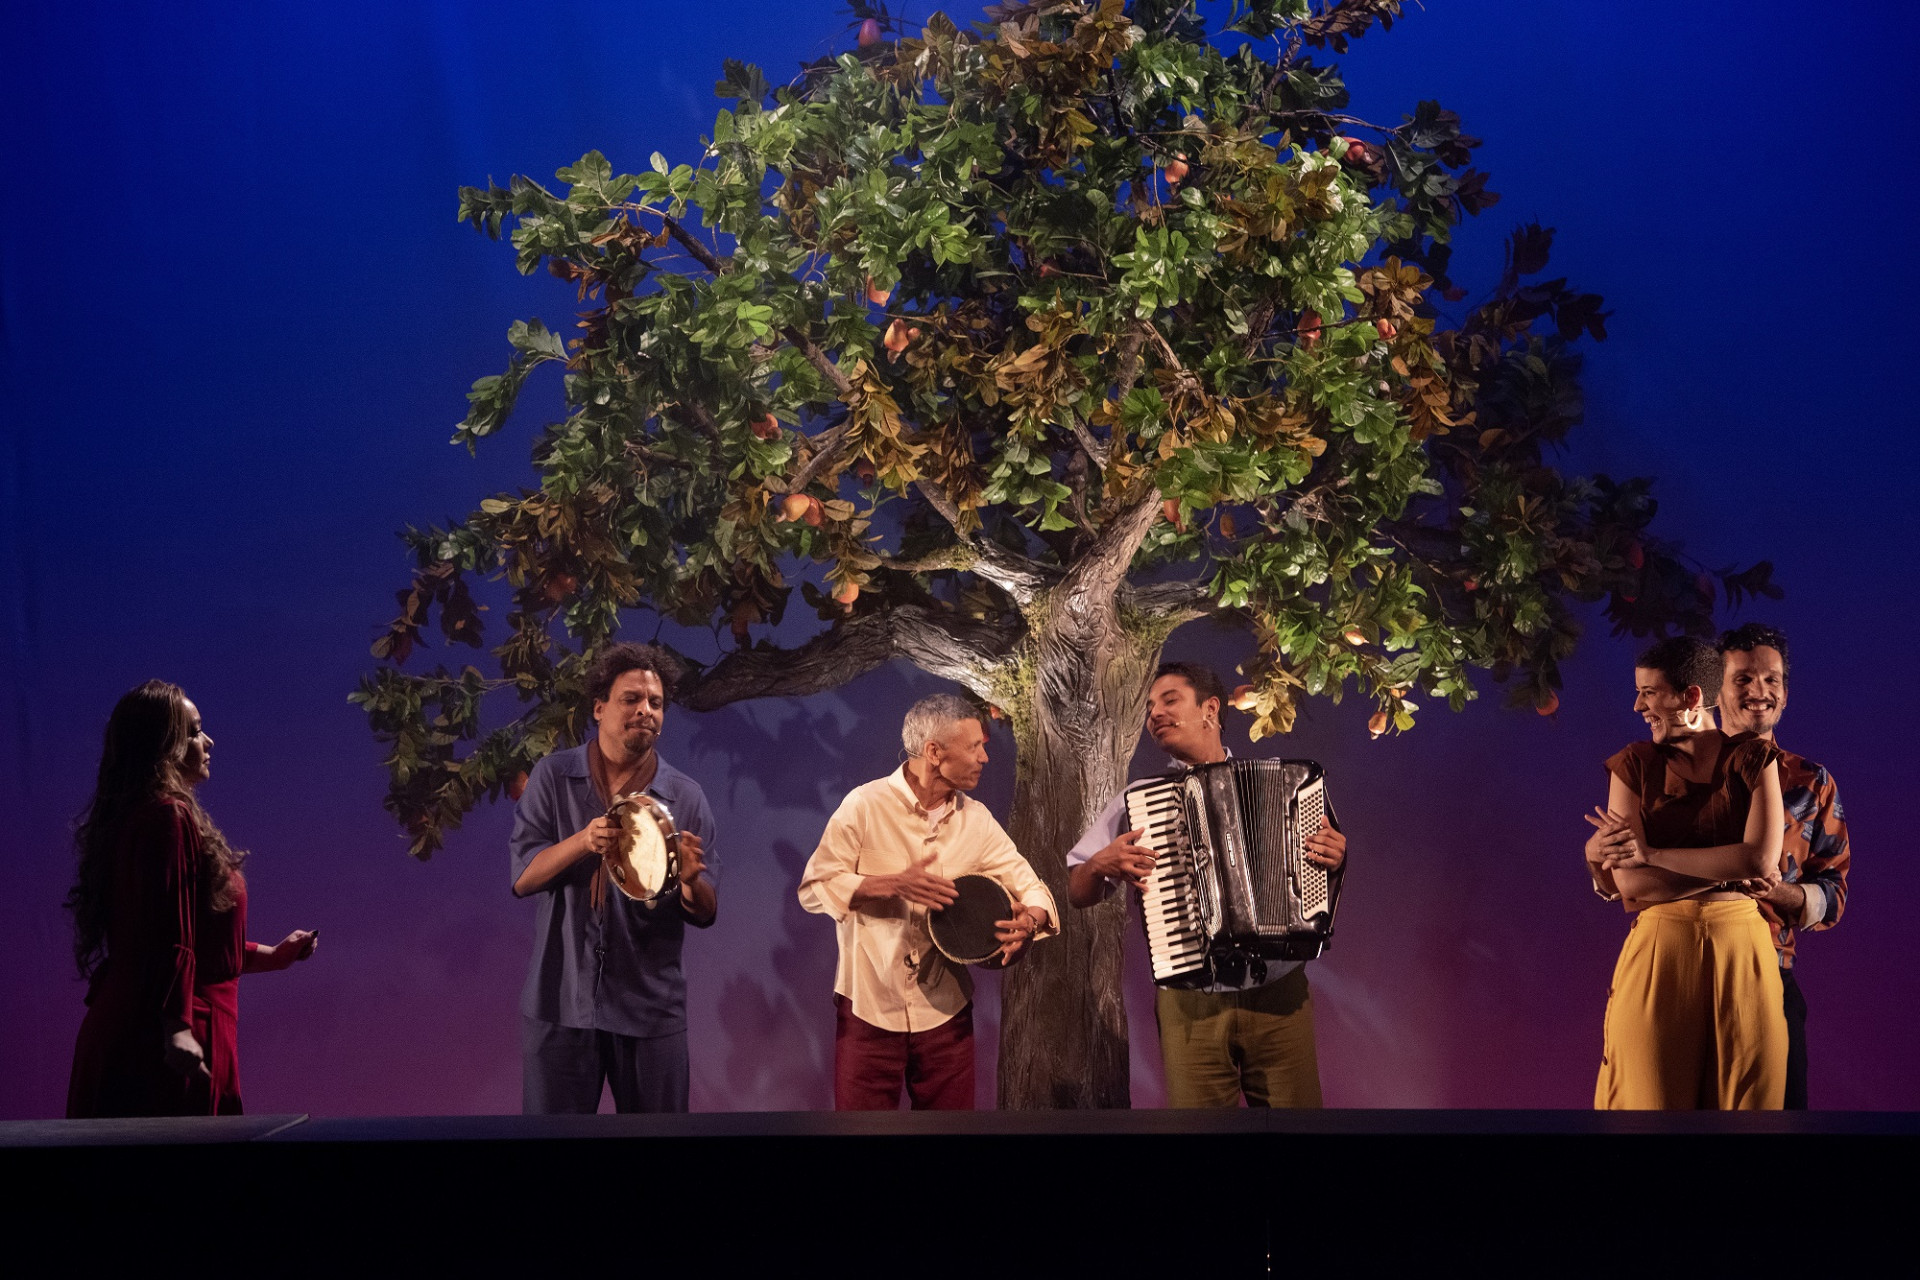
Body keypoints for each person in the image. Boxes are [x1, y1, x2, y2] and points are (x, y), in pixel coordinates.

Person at [1065, 662, 1347, 1109]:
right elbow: (1077, 890)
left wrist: (1334, 855)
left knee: (1299, 1129)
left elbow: (1322, 866)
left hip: (1279, 992)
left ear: (1210, 710)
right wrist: (1101, 863)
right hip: (1190, 1000)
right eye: (1149, 707)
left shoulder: (1286, 784)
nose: (1155, 714)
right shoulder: (1141, 799)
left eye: (1169, 700)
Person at [66, 680, 318, 1118]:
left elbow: (182, 942)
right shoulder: (169, 816)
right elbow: (169, 936)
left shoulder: (143, 816)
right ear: (161, 746)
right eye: (194, 731)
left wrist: (274, 956)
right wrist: (178, 1028)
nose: (208, 740)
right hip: (169, 1038)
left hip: (154, 1025)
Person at [799, 693, 1056, 1110]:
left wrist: (1031, 920)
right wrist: (890, 885)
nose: (984, 758)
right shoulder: (863, 806)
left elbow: (1031, 886)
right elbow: (814, 887)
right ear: (934, 752)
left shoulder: (977, 820)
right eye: (975, 746)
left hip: (946, 1015)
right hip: (868, 1010)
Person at [509, 642, 717, 1114]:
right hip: (560, 1002)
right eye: (632, 699)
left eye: (656, 703)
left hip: (651, 1009)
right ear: (599, 708)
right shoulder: (554, 776)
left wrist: (688, 881)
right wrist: (582, 842)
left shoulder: (685, 796)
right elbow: (523, 877)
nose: (646, 710)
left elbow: (706, 911)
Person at [1583, 636, 1786, 1109]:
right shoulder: (1634, 764)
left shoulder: (1753, 758)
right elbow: (1629, 884)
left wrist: (1653, 854)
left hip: (1744, 955)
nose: (1638, 706)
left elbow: (1759, 861)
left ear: (1692, 697)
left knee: (1750, 1108)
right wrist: (1726, 872)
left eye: (1649, 693)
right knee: (1649, 1103)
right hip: (1662, 952)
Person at [1716, 623, 1849, 1110]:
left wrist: (1777, 892)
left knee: (1780, 1136)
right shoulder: (1678, 771)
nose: (1759, 691)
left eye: (1771, 680)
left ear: (1786, 695)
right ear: (1714, 690)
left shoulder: (1811, 782)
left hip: (1771, 977)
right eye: (1744, 679)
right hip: (1689, 971)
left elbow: (1833, 895)